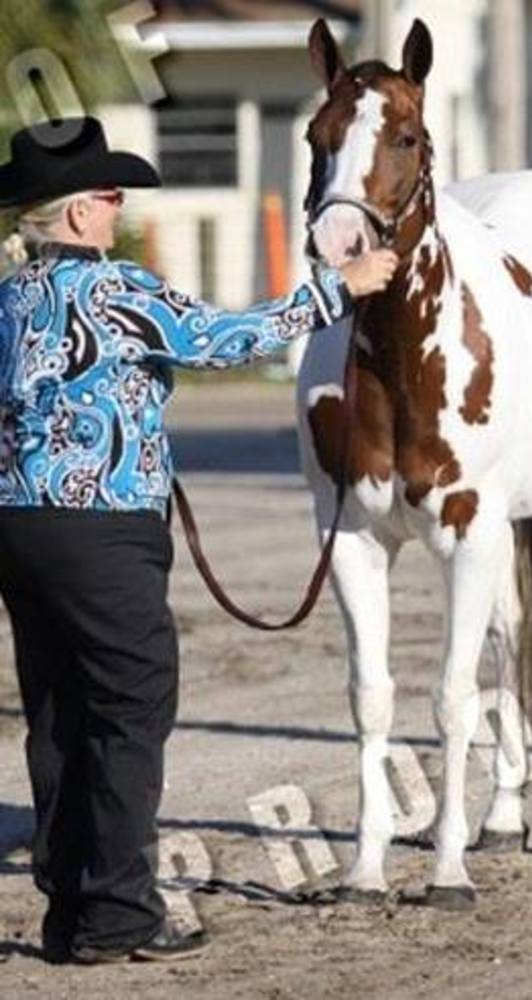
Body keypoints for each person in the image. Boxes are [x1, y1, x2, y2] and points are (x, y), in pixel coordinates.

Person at [0, 117, 396, 964]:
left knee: (59, 713)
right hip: (103, 529)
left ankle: (74, 911)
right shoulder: (117, 290)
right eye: (110, 195)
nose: (119, 208)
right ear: (78, 212)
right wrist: (338, 289)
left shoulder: (11, 298)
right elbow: (224, 339)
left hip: (21, 523)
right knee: (130, 707)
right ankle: (119, 914)